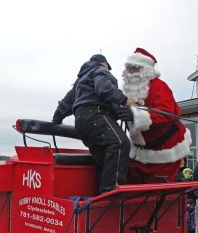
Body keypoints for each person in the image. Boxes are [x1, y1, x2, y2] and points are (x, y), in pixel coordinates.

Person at [52, 54, 135, 194]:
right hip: (95, 114)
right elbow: (104, 88)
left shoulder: (79, 82)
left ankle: (101, 194)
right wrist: (125, 100)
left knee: (105, 159)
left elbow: (65, 104)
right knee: (120, 143)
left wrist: (56, 121)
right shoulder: (99, 70)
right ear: (105, 64)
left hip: (81, 121)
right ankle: (112, 192)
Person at [117, 48, 191, 183]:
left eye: (134, 68)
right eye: (128, 68)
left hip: (164, 153)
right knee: (130, 187)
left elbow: (166, 113)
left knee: (157, 195)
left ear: (145, 71)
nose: (129, 72)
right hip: (139, 153)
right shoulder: (129, 92)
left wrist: (134, 115)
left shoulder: (159, 86)